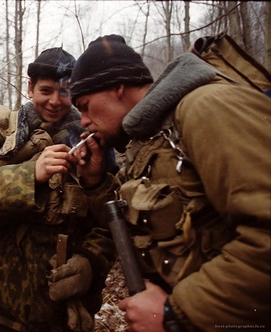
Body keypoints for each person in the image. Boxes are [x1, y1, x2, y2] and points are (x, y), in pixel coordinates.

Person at [69, 34, 270, 331]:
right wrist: (96, 181)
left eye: (85, 105)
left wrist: (176, 312)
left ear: (117, 86)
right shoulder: (153, 140)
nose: (83, 121)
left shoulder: (207, 107)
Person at [0, 47, 119, 331]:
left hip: (63, 305)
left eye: (64, 92)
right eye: (46, 90)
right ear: (30, 87)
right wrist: (31, 174)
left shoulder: (92, 137)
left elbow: (111, 221)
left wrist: (90, 263)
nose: (54, 101)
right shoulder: (3, 131)